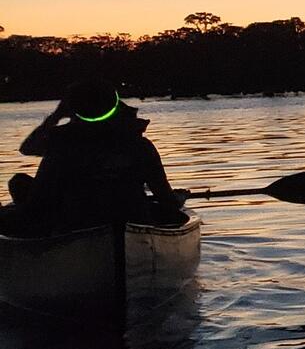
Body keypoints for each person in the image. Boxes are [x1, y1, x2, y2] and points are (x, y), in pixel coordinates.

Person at [2, 81, 185, 236]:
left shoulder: (61, 147)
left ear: (73, 110)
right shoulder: (140, 146)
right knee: (20, 184)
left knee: (18, 186)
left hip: (74, 222)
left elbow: (29, 152)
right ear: (115, 106)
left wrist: (56, 115)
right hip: (130, 218)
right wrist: (178, 199)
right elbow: (166, 199)